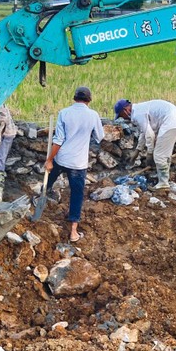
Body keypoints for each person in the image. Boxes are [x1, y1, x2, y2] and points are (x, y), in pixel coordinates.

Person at [44, 86, 104, 243]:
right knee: (77, 195)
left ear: (74, 98)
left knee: (49, 179)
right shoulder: (93, 115)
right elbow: (100, 136)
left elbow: (58, 140)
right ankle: (73, 231)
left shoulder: (64, 113)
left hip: (62, 158)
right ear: (89, 100)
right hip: (79, 162)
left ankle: (40, 200)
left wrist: (49, 159)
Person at [114, 99, 176, 190]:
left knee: (159, 155)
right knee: (164, 153)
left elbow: (149, 135)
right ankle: (163, 178)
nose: (124, 118)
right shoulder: (139, 109)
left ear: (125, 110)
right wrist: (137, 151)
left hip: (171, 122)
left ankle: (163, 183)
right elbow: (144, 132)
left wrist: (150, 153)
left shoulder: (138, 114)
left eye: (122, 115)